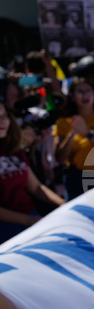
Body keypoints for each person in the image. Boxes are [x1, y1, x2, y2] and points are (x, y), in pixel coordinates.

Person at [0, 101, 65, 243]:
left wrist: (63, 204)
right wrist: (30, 221)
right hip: (6, 231)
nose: (2, 121)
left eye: (4, 115)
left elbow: (36, 187)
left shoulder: (13, 149)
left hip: (32, 219)